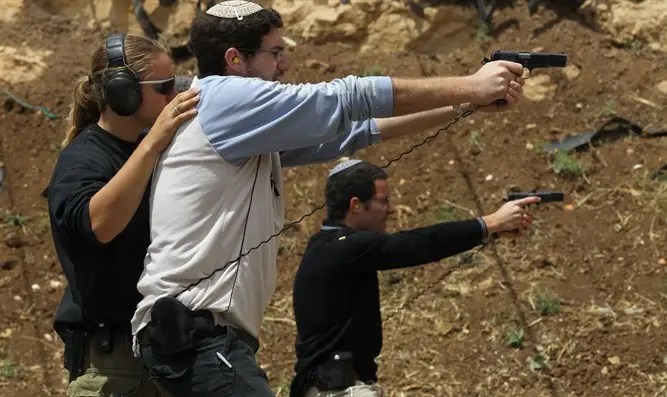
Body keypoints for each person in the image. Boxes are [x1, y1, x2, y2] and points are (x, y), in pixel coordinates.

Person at [130, 1, 526, 396]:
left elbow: (355, 131)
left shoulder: (237, 123)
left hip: (198, 338)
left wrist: (461, 106)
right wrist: (473, 85)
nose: (284, 65)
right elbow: (348, 98)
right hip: (198, 336)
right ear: (235, 59)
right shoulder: (226, 98)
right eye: (275, 53)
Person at [290, 160, 540, 396]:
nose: (391, 209)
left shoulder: (331, 246)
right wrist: (491, 222)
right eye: (383, 201)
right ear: (355, 205)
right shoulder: (343, 247)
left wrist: (492, 230)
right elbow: (420, 243)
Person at [47, 32, 199, 397]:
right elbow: (100, 224)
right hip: (112, 367)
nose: (173, 96)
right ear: (122, 92)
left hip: (163, 356)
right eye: (164, 87)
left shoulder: (156, 150)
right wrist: (152, 142)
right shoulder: (83, 159)